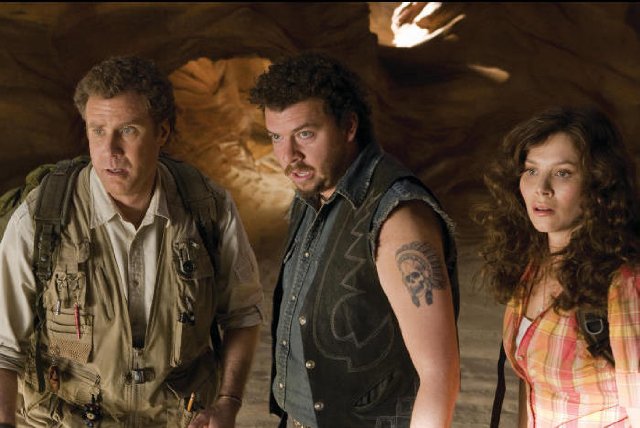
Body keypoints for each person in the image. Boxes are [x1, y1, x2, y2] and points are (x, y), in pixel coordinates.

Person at [0, 56, 264, 427]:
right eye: (97, 130)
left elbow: (243, 314)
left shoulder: (207, 208)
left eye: (128, 130)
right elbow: (4, 345)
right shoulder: (42, 215)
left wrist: (228, 403)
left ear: (162, 132)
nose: (110, 149)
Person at [249, 52, 460, 428]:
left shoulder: (397, 218)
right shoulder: (314, 190)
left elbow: (439, 376)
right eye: (276, 137)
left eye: (305, 134)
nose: (288, 155)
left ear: (348, 126)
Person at [477, 106, 640, 427]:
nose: (542, 188)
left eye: (563, 173)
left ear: (599, 182)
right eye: (531, 170)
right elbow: (531, 384)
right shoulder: (534, 263)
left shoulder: (624, 282)